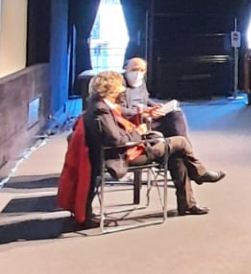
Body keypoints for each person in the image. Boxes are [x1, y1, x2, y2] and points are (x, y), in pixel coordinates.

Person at [84, 70, 224, 218]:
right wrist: (138, 131)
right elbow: (116, 140)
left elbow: (122, 118)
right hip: (126, 155)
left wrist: (144, 114)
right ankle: (199, 174)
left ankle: (187, 203)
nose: (123, 90)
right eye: (120, 87)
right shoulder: (101, 110)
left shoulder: (100, 105)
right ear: (110, 90)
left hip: (128, 150)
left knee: (177, 154)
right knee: (181, 142)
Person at [120, 55, 191, 140]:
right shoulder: (120, 83)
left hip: (147, 114)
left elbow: (145, 99)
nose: (138, 73)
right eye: (134, 69)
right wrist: (142, 113)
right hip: (135, 117)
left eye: (142, 70)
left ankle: (182, 144)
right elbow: (118, 108)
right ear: (126, 68)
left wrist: (156, 106)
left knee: (175, 113)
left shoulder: (141, 81)